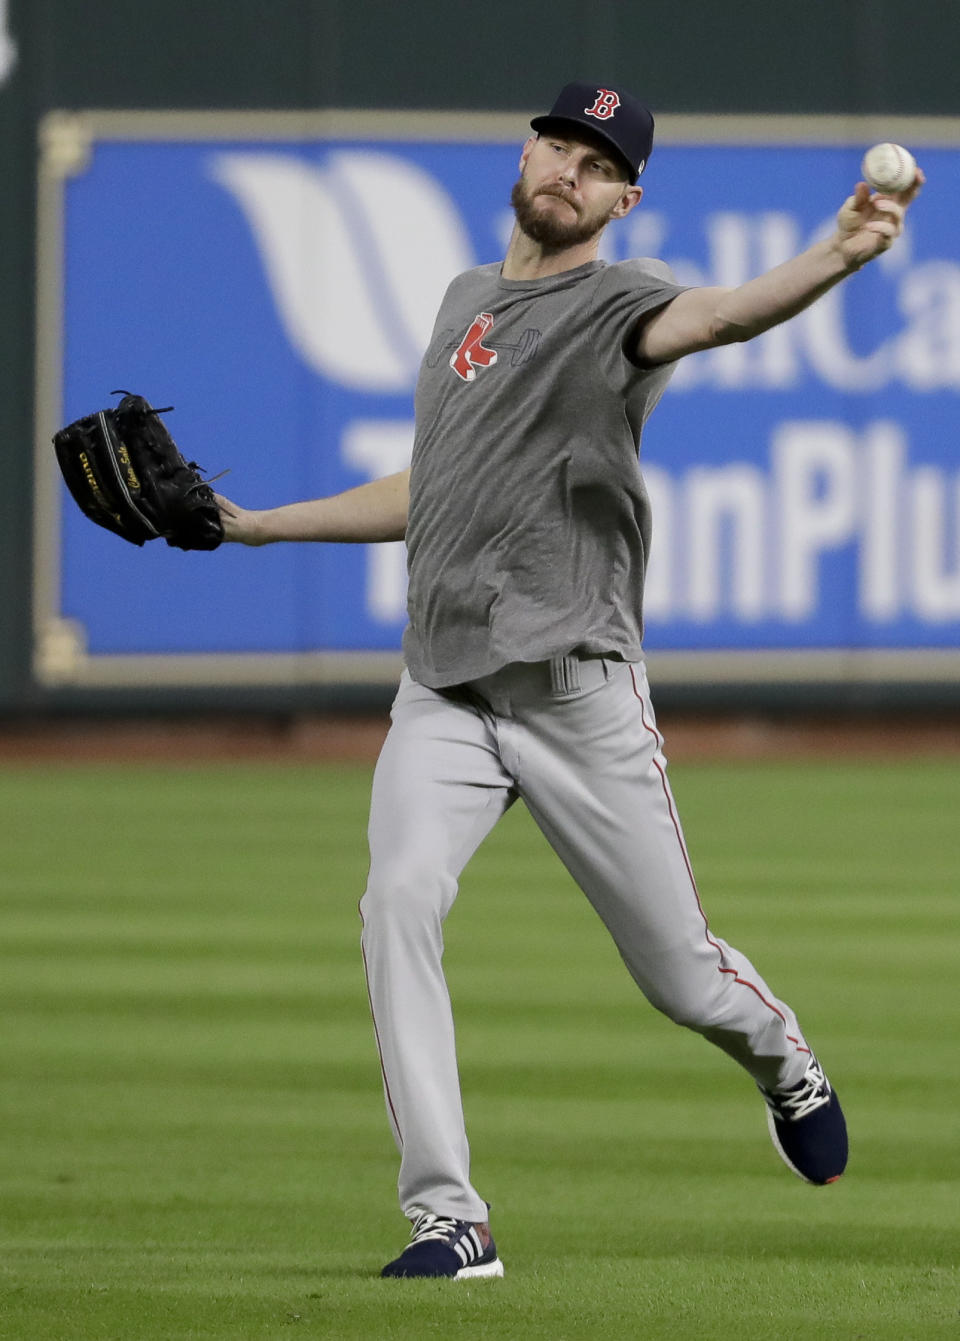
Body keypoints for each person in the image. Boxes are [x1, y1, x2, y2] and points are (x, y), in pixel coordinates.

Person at [217, 82, 923, 1280]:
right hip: (443, 691)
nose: (570, 168)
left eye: (600, 162)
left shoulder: (619, 302)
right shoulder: (462, 301)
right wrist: (257, 527)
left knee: (680, 975)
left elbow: (722, 319)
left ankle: (783, 1060)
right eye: (561, 142)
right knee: (396, 905)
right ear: (527, 148)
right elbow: (426, 491)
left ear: (624, 197)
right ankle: (452, 1218)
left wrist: (839, 257)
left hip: (576, 693)